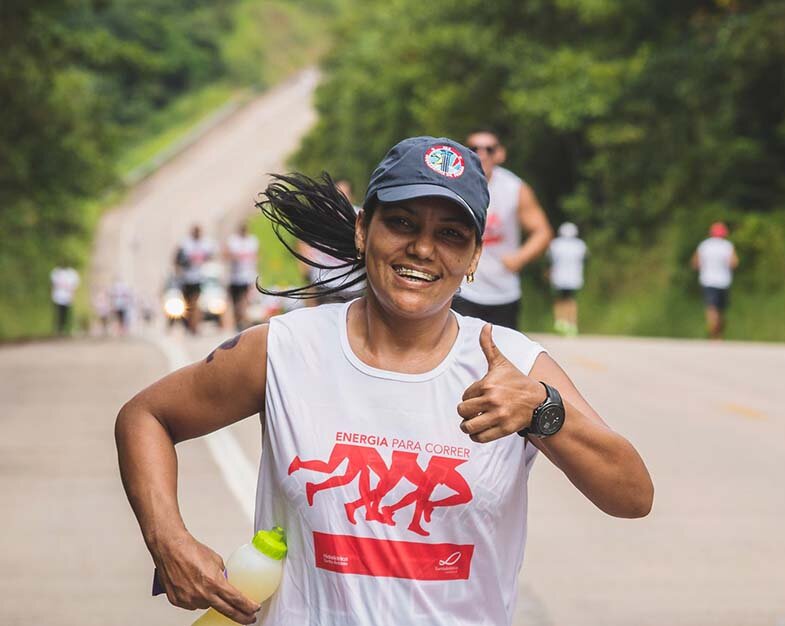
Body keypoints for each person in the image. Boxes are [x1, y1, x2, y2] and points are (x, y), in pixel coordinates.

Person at [115, 136, 652, 626]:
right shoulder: (285, 350)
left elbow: (631, 495)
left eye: (450, 234)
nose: (422, 248)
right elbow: (146, 417)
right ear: (362, 228)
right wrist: (167, 537)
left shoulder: (512, 366)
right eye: (402, 223)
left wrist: (544, 409)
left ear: (474, 257)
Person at [451, 129, 554, 329]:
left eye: (489, 149)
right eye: (474, 149)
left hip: (503, 292)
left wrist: (521, 257)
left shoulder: (515, 188)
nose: (482, 154)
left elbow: (543, 231)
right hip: (461, 290)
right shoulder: (454, 185)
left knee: (503, 355)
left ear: (500, 154)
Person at [297, 179, 364, 305]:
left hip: (353, 287)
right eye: (337, 194)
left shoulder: (360, 218)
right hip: (326, 284)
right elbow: (304, 240)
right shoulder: (320, 216)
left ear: (351, 196)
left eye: (344, 194)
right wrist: (306, 271)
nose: (340, 199)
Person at [691, 222, 739, 340]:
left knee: (711, 308)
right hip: (723, 281)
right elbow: (734, 263)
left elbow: (695, 263)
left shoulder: (704, 245)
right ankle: (719, 334)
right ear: (724, 234)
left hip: (708, 280)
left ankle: (713, 331)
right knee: (721, 309)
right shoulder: (727, 246)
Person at [548, 222, 587, 336]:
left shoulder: (555, 244)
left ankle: (560, 321)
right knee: (571, 300)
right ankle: (572, 323)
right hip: (574, 277)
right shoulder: (580, 245)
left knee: (560, 299)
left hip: (559, 276)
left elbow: (550, 259)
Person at [175, 224, 215, 334]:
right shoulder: (185, 244)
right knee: (188, 304)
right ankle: (189, 324)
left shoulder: (205, 244)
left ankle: (194, 326)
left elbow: (211, 256)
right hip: (186, 278)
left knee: (195, 303)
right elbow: (177, 259)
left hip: (198, 278)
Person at [225, 223, 260, 330]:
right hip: (234, 277)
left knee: (244, 300)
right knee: (236, 302)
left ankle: (243, 322)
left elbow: (257, 255)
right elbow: (226, 254)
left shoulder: (252, 241)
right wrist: (234, 257)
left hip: (247, 276)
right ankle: (237, 322)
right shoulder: (233, 241)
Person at [50, 262, 80, 335]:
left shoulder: (72, 273)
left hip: (67, 297)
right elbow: (53, 285)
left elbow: (74, 286)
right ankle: (59, 328)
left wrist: (73, 295)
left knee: (66, 313)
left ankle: (66, 328)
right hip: (58, 297)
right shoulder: (56, 272)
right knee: (59, 313)